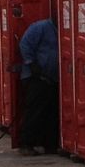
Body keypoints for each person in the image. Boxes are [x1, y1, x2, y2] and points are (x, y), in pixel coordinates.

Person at [16, 12, 60, 154]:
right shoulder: (40, 27)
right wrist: (31, 63)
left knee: (50, 112)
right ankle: (26, 143)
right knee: (35, 111)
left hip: (52, 79)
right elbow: (25, 44)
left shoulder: (64, 30)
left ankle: (49, 143)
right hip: (36, 77)